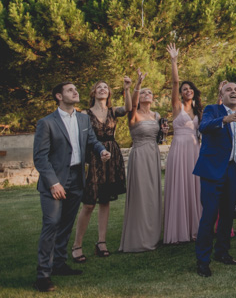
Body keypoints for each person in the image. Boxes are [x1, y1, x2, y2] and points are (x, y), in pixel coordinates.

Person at [33, 82, 111, 292]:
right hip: (55, 182)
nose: (75, 91)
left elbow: (91, 141)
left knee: (66, 224)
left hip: (77, 179)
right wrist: (53, 182)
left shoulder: (83, 118)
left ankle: (59, 264)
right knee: (51, 224)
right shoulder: (46, 123)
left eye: (76, 89)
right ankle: (43, 275)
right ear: (59, 96)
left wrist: (101, 150)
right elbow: (40, 157)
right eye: (70, 90)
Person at [193, 81, 236, 277]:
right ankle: (202, 261)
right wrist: (225, 119)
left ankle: (222, 252)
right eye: (229, 89)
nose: (233, 92)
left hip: (234, 171)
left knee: (228, 216)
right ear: (222, 93)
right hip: (212, 172)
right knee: (209, 216)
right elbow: (203, 127)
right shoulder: (213, 110)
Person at [71, 79, 129, 262]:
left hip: (112, 156)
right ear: (93, 92)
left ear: (109, 93)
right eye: (99, 87)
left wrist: (127, 88)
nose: (103, 89)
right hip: (94, 157)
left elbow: (128, 108)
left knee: (105, 200)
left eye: (106, 87)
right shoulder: (84, 114)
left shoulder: (113, 111)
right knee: (89, 203)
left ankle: (101, 242)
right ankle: (77, 245)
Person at [163, 44, 202, 244]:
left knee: (195, 188)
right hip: (179, 149)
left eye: (190, 88)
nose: (187, 90)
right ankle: (179, 229)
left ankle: (195, 227)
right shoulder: (177, 107)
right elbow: (175, 82)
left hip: (195, 149)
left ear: (194, 92)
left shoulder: (198, 110)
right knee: (181, 185)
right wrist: (174, 61)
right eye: (184, 89)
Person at [119, 74, 163, 253]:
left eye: (150, 92)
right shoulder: (134, 114)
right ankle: (138, 238)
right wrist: (137, 84)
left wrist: (164, 132)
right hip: (140, 154)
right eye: (144, 92)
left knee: (153, 194)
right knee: (141, 194)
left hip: (153, 153)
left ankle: (153, 234)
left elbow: (159, 137)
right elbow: (133, 103)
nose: (147, 94)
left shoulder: (157, 115)